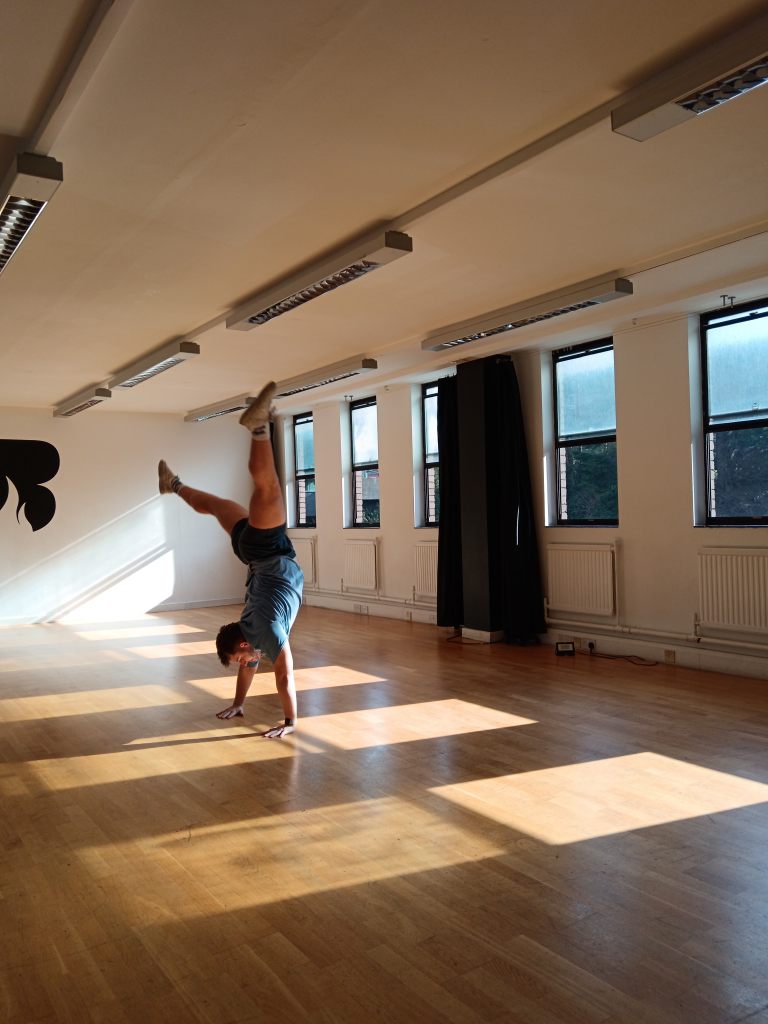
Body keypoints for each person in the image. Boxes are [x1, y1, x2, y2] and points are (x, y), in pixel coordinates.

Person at [158, 381, 303, 738]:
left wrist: (290, 723)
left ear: (242, 644)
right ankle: (173, 485)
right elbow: (249, 667)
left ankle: (258, 427)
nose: (247, 663)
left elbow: (285, 676)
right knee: (215, 505)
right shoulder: (249, 629)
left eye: (241, 658)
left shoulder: (267, 632)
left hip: (266, 550)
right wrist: (239, 703)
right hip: (247, 552)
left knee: (268, 489)